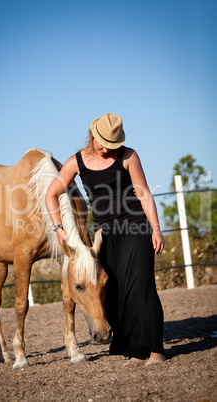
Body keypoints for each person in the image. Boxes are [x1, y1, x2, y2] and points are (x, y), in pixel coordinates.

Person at [45, 113, 166, 366]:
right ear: (93, 136)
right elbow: (51, 194)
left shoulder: (128, 155)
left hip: (135, 227)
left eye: (113, 144)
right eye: (103, 143)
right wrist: (58, 227)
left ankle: (155, 350)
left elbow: (143, 194)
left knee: (141, 289)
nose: (108, 148)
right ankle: (135, 349)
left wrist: (155, 228)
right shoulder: (76, 162)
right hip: (104, 235)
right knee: (113, 291)